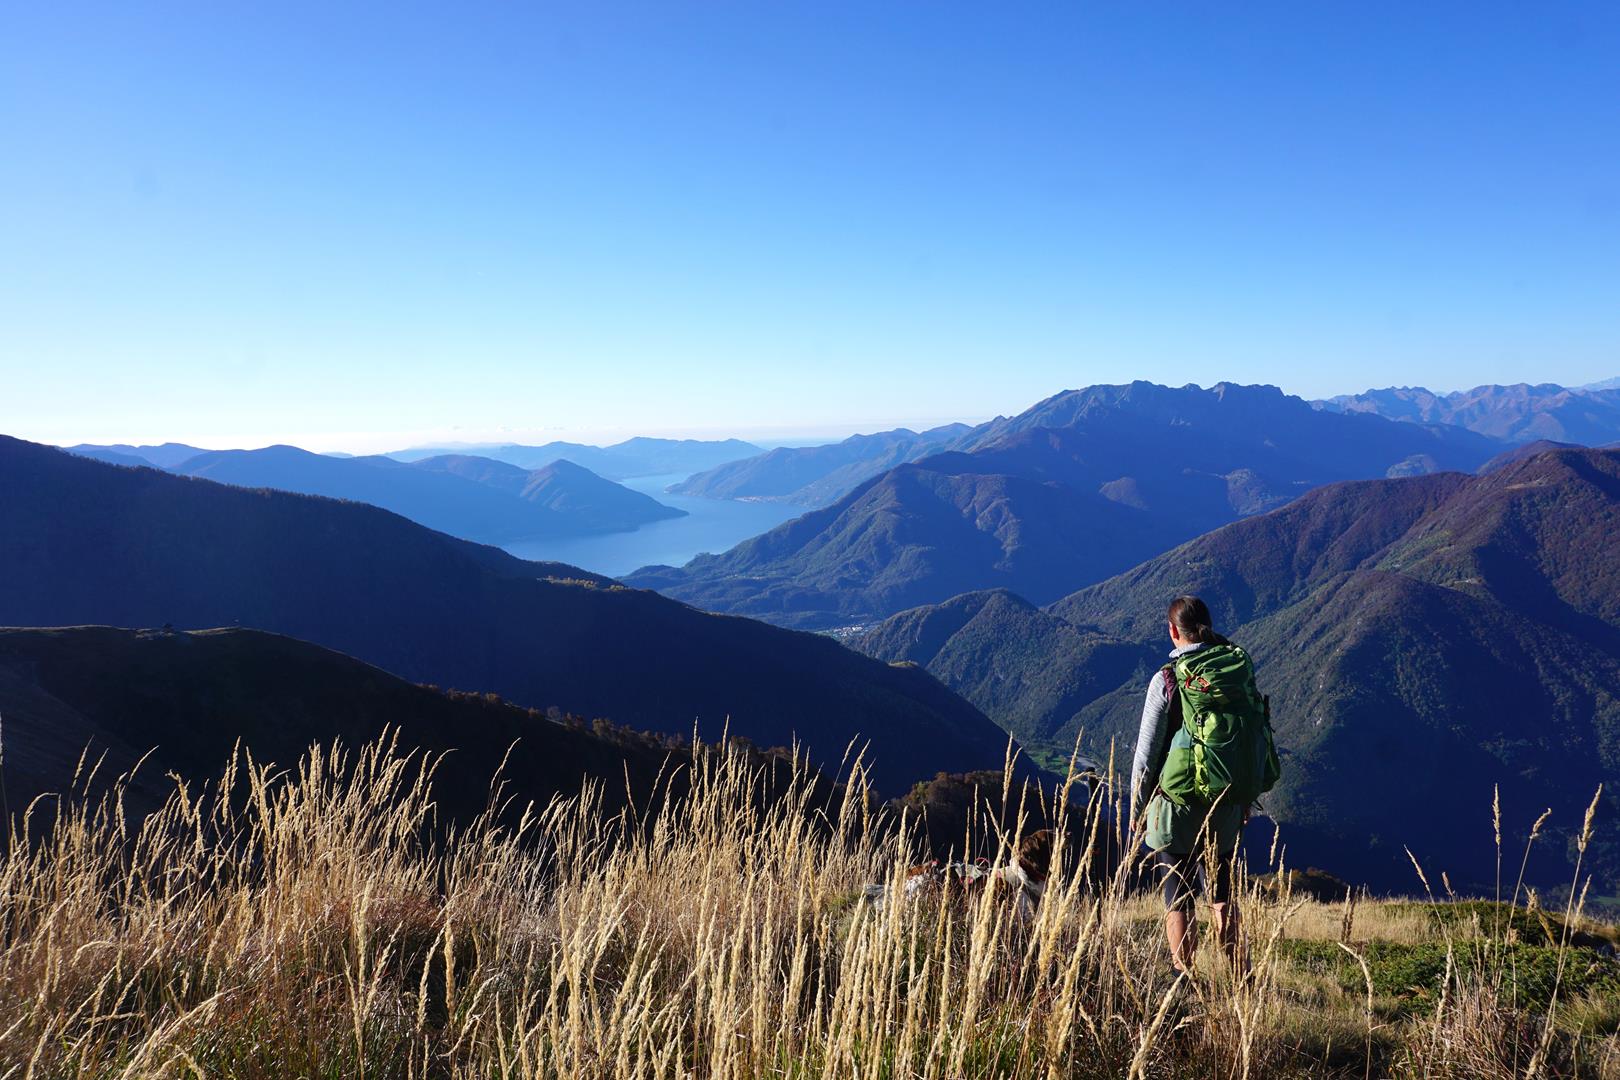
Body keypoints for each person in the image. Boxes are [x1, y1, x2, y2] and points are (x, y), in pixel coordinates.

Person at [1130, 596, 1258, 976]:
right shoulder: (1235, 672)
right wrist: (1245, 795)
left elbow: (1146, 755)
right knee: (1222, 896)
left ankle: (1183, 979)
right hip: (1227, 800)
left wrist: (1136, 812)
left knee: (1179, 898)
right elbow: (1250, 739)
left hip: (1178, 804)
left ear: (1173, 632)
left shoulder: (1167, 680)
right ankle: (1241, 977)